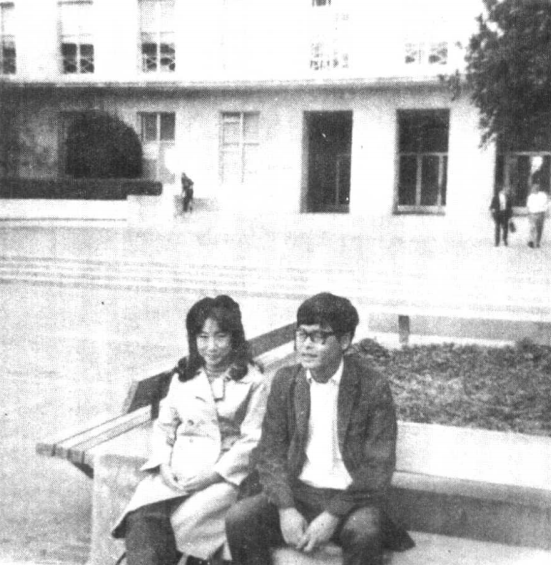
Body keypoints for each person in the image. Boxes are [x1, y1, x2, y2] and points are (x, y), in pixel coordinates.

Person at [226, 292, 414, 565]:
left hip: (353, 499)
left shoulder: (371, 386)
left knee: (364, 532)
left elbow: (378, 467)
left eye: (319, 337)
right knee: (240, 518)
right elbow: (270, 453)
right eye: (302, 334)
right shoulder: (286, 381)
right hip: (299, 493)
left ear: (345, 341)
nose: (306, 345)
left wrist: (333, 514)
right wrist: (286, 508)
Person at [112, 295, 269, 565]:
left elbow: (252, 440)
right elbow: (164, 427)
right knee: (143, 516)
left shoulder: (253, 381)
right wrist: (163, 465)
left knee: (185, 521)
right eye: (202, 337)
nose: (211, 347)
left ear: (234, 337)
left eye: (220, 336)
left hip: (224, 476)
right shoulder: (184, 377)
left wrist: (212, 475)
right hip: (178, 470)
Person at [526, 183, 550, 248]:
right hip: (533, 214)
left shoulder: (543, 195)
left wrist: (546, 212)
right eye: (533, 188)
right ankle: (531, 241)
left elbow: (547, 204)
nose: (534, 189)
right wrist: (528, 214)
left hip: (541, 214)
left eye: (536, 188)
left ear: (538, 189)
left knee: (539, 229)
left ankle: (537, 242)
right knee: (532, 228)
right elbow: (528, 206)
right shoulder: (530, 197)